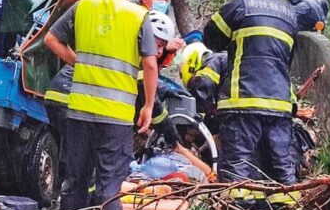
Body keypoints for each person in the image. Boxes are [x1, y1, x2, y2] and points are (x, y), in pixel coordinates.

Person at [43, 0, 158, 210]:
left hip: (80, 112)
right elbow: (149, 63)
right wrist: (147, 105)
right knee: (109, 186)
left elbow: (51, 39)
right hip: (117, 118)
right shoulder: (138, 15)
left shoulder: (84, 7)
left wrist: (77, 60)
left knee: (75, 181)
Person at [43, 12, 212, 179]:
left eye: (163, 47)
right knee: (93, 160)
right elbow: (152, 103)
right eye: (158, 45)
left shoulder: (126, 46)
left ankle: (74, 198)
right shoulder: (136, 56)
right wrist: (172, 137)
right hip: (71, 98)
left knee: (76, 158)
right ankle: (88, 201)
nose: (159, 52)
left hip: (59, 96)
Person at [203, 0, 300, 210]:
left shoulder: (239, 5)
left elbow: (210, 39)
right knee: (280, 170)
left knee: (237, 167)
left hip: (242, 101)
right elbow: (287, 60)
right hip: (280, 105)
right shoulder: (290, 14)